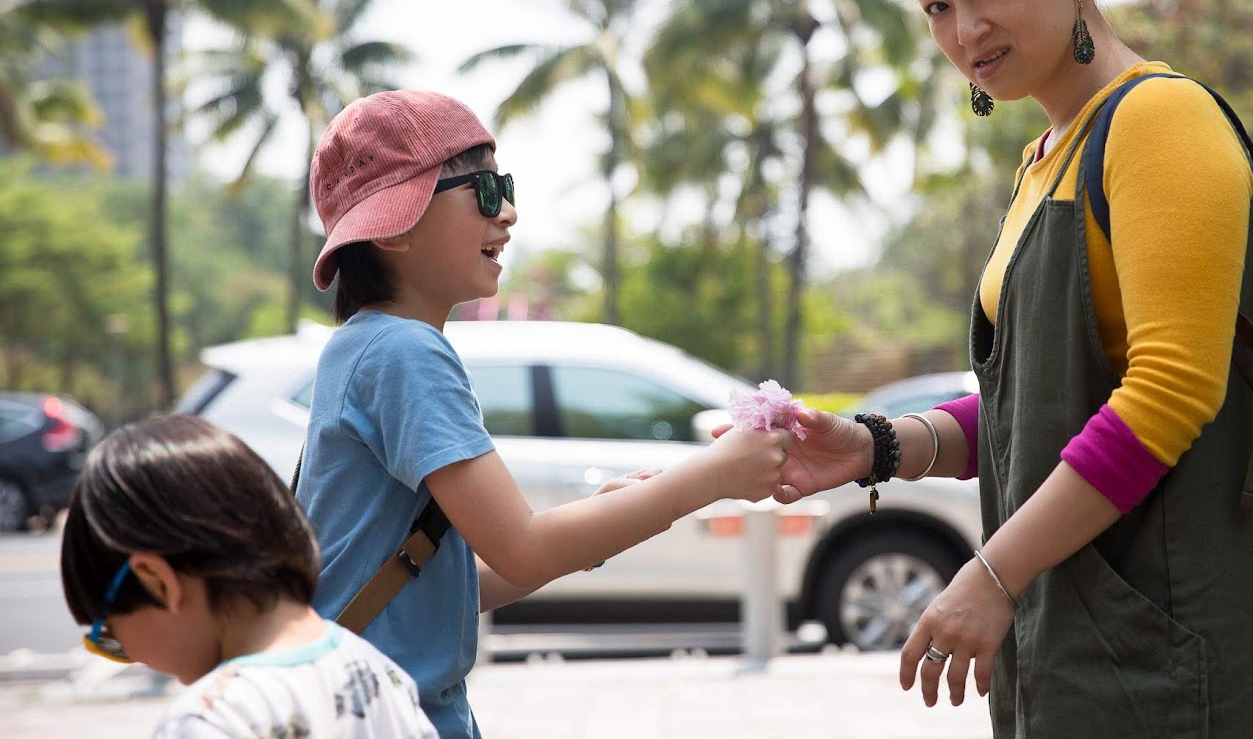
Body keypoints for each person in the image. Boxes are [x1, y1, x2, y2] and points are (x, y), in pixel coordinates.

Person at [754, 0, 1253, 738]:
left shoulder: (1159, 121)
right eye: (938, 7)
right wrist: (872, 446)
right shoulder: (1048, 157)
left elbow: (1169, 395)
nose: (964, 30)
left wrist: (989, 573)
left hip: (1184, 649)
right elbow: (1034, 406)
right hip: (1077, 647)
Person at [295, 88, 793, 739]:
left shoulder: (359, 344)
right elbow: (525, 551)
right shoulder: (405, 351)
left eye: (505, 184)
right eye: (482, 189)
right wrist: (715, 475)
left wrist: (603, 522)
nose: (507, 212)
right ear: (394, 226)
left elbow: (444, 583)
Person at [59, 414, 438, 738]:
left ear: (157, 582)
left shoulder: (211, 719)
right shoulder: (382, 675)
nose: (137, 658)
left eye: (110, 638)